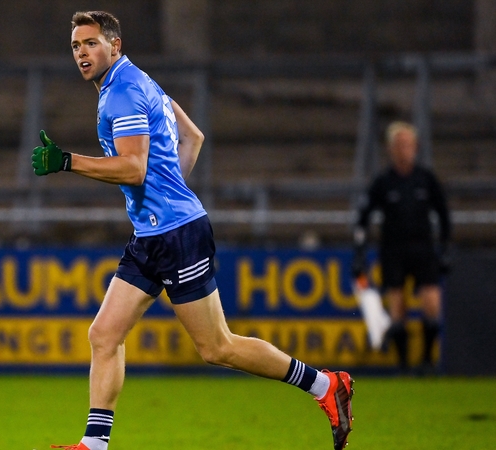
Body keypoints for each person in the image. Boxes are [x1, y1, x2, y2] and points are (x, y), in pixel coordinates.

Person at [31, 11, 354, 450]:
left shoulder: (122, 92)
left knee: (217, 347)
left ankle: (324, 385)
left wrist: (67, 161)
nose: (82, 52)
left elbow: (132, 168)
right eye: (75, 46)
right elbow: (193, 137)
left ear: (115, 46)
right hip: (154, 233)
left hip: (176, 236)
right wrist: (167, 199)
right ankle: (94, 445)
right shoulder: (140, 83)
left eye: (90, 43)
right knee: (104, 334)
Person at [353, 121, 451, 374]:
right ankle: (404, 365)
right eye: (397, 145)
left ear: (415, 147)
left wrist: (446, 248)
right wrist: (359, 252)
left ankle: (428, 361)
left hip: (423, 249)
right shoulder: (383, 182)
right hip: (393, 251)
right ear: (390, 149)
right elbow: (363, 218)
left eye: (407, 144)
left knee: (431, 303)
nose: (402, 150)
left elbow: (443, 215)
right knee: (397, 306)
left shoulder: (425, 179)